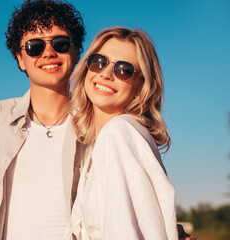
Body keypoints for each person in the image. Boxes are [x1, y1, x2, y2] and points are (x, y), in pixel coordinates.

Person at [0, 0, 194, 239]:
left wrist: (170, 229)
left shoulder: (102, 128)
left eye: (60, 44)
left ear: (78, 53)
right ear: (20, 59)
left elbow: (128, 202)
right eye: (34, 47)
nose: (48, 53)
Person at [67, 27, 195, 239]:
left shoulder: (119, 134)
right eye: (99, 61)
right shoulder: (102, 144)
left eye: (124, 70)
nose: (106, 74)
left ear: (140, 86)